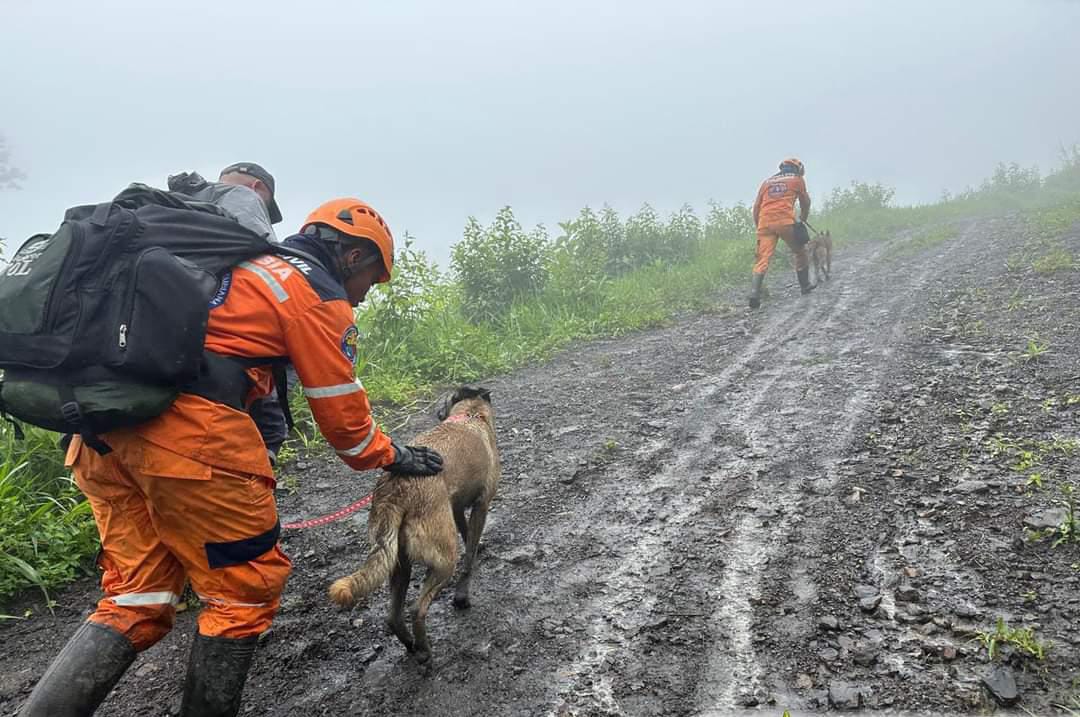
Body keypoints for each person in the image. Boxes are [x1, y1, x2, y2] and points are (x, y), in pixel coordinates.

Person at [18, 198, 444, 717]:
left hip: (100, 435)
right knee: (243, 595)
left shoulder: (236, 267)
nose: (366, 297)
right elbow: (346, 428)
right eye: (372, 281)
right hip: (193, 444)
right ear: (352, 257)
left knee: (135, 597)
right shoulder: (312, 291)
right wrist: (392, 454)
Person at [748, 157, 813, 309]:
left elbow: (756, 207)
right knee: (800, 252)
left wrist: (759, 227)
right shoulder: (797, 179)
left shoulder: (766, 182)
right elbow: (805, 201)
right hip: (785, 222)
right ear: (798, 168)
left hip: (764, 223)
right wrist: (803, 217)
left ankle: (754, 294)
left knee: (762, 259)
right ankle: (805, 286)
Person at [168, 161, 283, 241]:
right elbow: (262, 244)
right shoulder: (244, 195)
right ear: (256, 187)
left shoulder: (182, 199)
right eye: (264, 208)